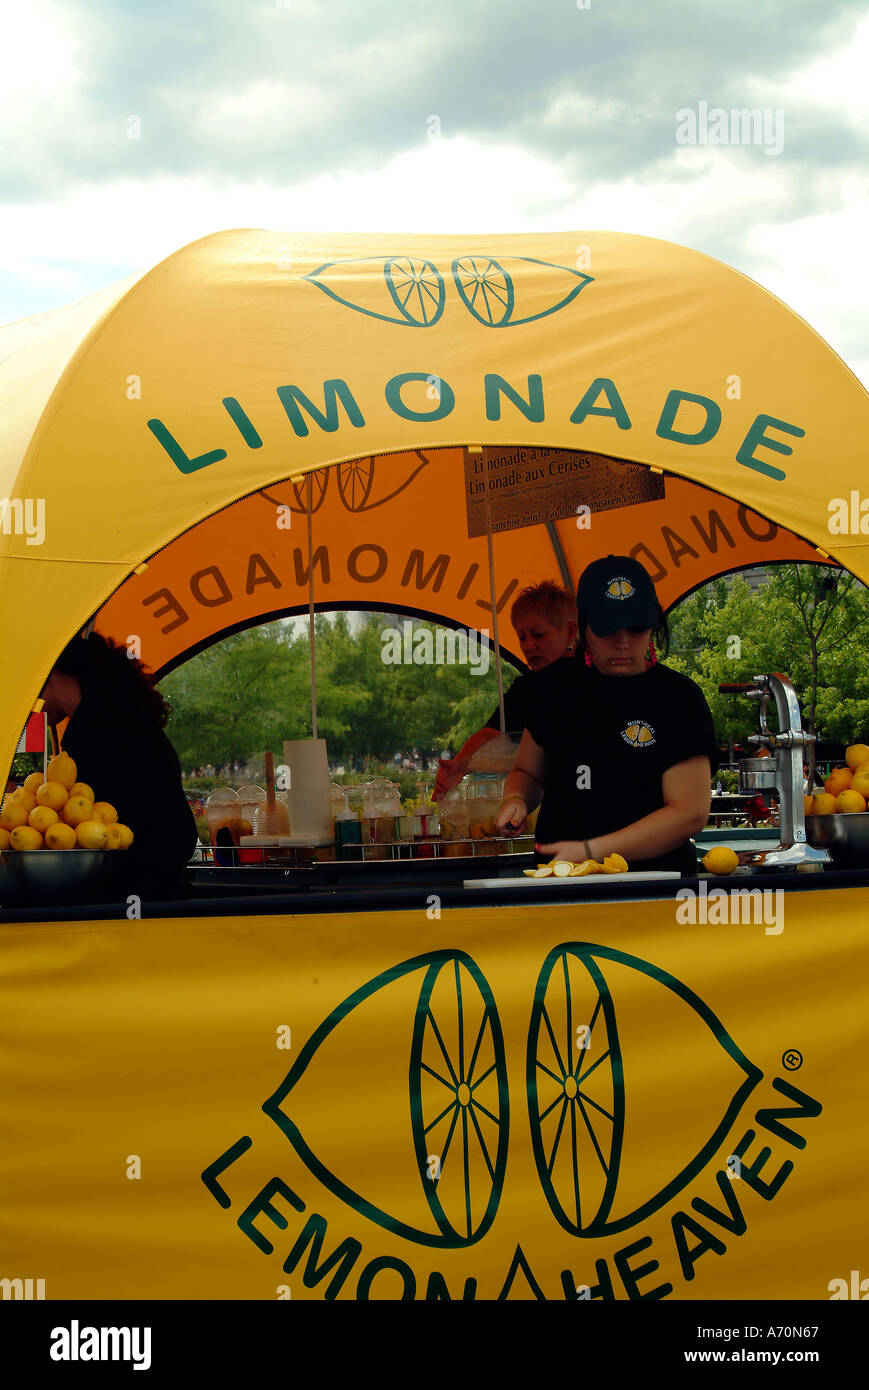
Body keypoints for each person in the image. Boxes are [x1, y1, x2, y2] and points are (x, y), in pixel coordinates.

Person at [495, 555, 719, 875]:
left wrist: (592, 851)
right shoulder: (551, 687)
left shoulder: (678, 698)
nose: (624, 642)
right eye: (608, 630)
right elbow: (529, 773)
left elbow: (690, 812)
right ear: (582, 628)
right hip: (559, 882)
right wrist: (516, 799)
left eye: (637, 628)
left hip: (655, 885)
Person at [39, 632, 197, 901]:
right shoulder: (123, 717)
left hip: (132, 893)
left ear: (52, 674)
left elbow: (77, 823)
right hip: (161, 886)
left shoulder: (94, 730)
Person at [434, 581, 578, 800]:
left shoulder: (595, 679)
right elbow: (492, 733)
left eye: (538, 634)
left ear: (569, 632)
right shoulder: (527, 688)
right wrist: (460, 764)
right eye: (522, 637)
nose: (529, 645)